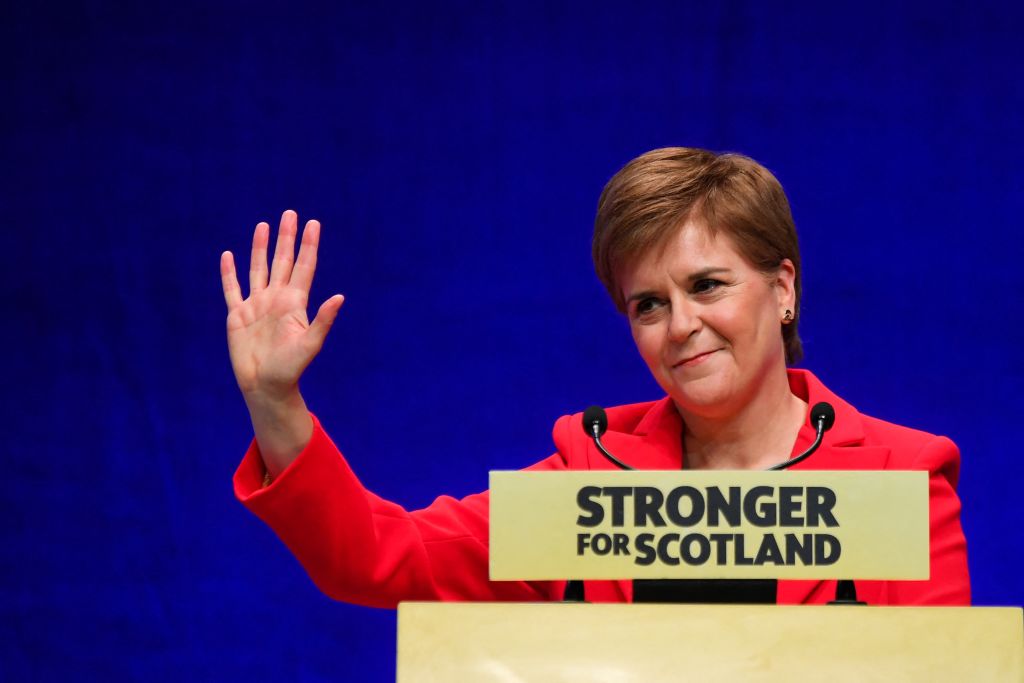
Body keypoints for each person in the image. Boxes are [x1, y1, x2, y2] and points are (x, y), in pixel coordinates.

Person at [221, 147, 970, 607]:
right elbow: (381, 559)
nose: (680, 325)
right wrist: (274, 402)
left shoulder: (899, 479)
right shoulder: (590, 481)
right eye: (649, 303)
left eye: (707, 284)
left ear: (783, 289)